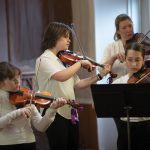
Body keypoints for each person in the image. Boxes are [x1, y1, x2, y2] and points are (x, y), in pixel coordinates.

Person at [35, 22, 110, 150]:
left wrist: (99, 76)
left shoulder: (63, 60)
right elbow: (61, 76)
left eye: (69, 37)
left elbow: (78, 84)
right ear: (54, 37)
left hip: (70, 111)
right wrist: (80, 63)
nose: (69, 40)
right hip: (54, 112)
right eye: (65, 36)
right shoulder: (44, 59)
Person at [0, 61, 67, 150]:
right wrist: (18, 112)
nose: (18, 82)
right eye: (13, 79)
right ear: (1, 82)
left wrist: (52, 110)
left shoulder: (26, 96)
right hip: (6, 145)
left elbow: (41, 127)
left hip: (29, 142)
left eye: (19, 78)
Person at [113, 42, 150, 150]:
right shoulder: (118, 83)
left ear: (143, 60)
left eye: (138, 60)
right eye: (130, 59)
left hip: (146, 128)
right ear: (125, 60)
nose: (133, 64)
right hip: (125, 128)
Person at [100, 13, 135, 80]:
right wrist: (113, 58)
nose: (128, 30)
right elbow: (101, 71)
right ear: (118, 31)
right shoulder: (111, 47)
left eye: (130, 26)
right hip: (117, 86)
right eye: (124, 28)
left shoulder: (139, 45)